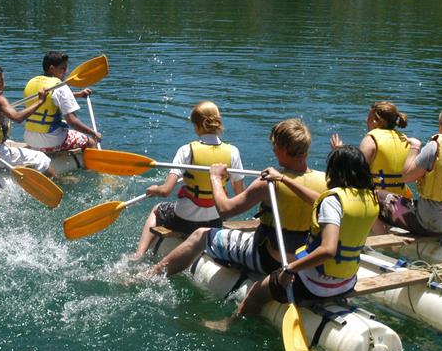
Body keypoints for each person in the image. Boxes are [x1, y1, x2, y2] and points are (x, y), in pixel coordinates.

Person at [205, 145, 379, 331]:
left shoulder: (333, 201)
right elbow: (318, 200)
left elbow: (328, 250)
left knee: (257, 292)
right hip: (347, 281)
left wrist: (289, 270)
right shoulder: (370, 199)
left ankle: (228, 324)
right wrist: (283, 179)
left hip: (316, 283)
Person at [147, 118, 327, 280]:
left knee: (201, 234)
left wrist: (216, 178)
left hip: (268, 259)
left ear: (285, 149)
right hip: (304, 258)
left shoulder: (269, 183)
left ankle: (150, 275)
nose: (273, 150)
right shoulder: (325, 181)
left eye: (275, 146)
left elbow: (226, 210)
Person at [132, 101, 246, 260]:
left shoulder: (186, 150)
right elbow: (240, 194)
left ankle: (138, 255)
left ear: (197, 126)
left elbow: (165, 191)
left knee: (158, 209)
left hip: (184, 219)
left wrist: (153, 189)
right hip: (215, 220)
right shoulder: (233, 152)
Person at [374, 106, 442, 235]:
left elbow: (406, 177)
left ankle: (376, 239)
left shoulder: (435, 147)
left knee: (375, 195)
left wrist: (415, 147)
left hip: (429, 224)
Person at [0, 63, 55, 176]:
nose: (5, 85)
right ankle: (58, 181)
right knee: (42, 158)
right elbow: (18, 118)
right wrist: (40, 101)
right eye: (1, 82)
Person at [331, 101, 420, 197]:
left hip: (379, 200)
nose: (366, 120)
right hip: (402, 201)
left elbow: (355, 174)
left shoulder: (371, 139)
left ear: (377, 121)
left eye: (369, 117)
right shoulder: (404, 139)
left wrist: (339, 153)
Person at [22, 51, 101, 152]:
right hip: (51, 141)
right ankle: (87, 164)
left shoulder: (31, 82)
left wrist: (78, 94)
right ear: (52, 69)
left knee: (62, 123)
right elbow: (72, 121)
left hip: (29, 138)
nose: (66, 71)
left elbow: (51, 98)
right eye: (63, 68)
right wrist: (93, 133)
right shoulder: (60, 86)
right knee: (90, 141)